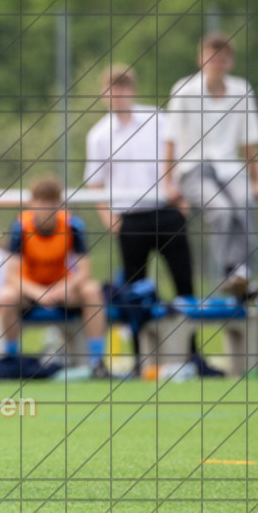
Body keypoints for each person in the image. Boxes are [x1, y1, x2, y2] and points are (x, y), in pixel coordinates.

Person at [84, 64, 203, 368]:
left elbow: (178, 157)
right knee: (136, 293)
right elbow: (96, 183)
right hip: (131, 219)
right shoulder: (98, 135)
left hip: (166, 213)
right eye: (112, 89)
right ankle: (142, 358)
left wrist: (181, 198)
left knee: (184, 284)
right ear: (104, 94)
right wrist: (110, 219)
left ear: (132, 90)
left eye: (123, 88)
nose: (118, 95)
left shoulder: (157, 119)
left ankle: (193, 354)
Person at [163, 32, 258, 301]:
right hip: (193, 169)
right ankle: (229, 271)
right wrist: (167, 181)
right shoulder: (184, 90)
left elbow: (248, 143)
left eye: (222, 58)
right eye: (212, 58)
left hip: (229, 167)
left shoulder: (242, 90)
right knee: (222, 209)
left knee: (244, 203)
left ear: (230, 62)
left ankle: (243, 274)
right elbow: (170, 139)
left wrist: (255, 180)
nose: (217, 63)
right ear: (200, 59)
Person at [0, 176, 110, 377]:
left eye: (52, 202)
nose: (47, 208)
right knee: (6, 296)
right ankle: (11, 361)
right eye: (42, 202)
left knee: (92, 290)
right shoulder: (21, 227)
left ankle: (96, 362)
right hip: (30, 291)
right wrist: (39, 292)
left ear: (59, 204)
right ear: (32, 203)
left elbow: (84, 271)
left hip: (62, 290)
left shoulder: (73, 225)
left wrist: (62, 288)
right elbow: (12, 275)